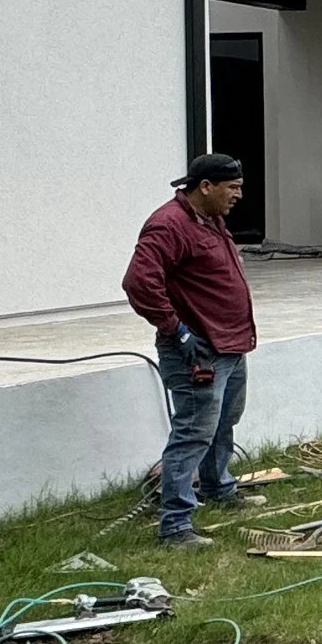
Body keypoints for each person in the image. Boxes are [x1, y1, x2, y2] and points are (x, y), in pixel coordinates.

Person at [122, 153, 255, 547]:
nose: (239, 195)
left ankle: (218, 487)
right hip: (197, 350)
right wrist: (176, 330)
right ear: (206, 187)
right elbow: (138, 282)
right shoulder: (169, 225)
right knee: (193, 431)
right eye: (232, 188)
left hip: (229, 343)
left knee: (223, 421)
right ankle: (176, 524)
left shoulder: (210, 219)